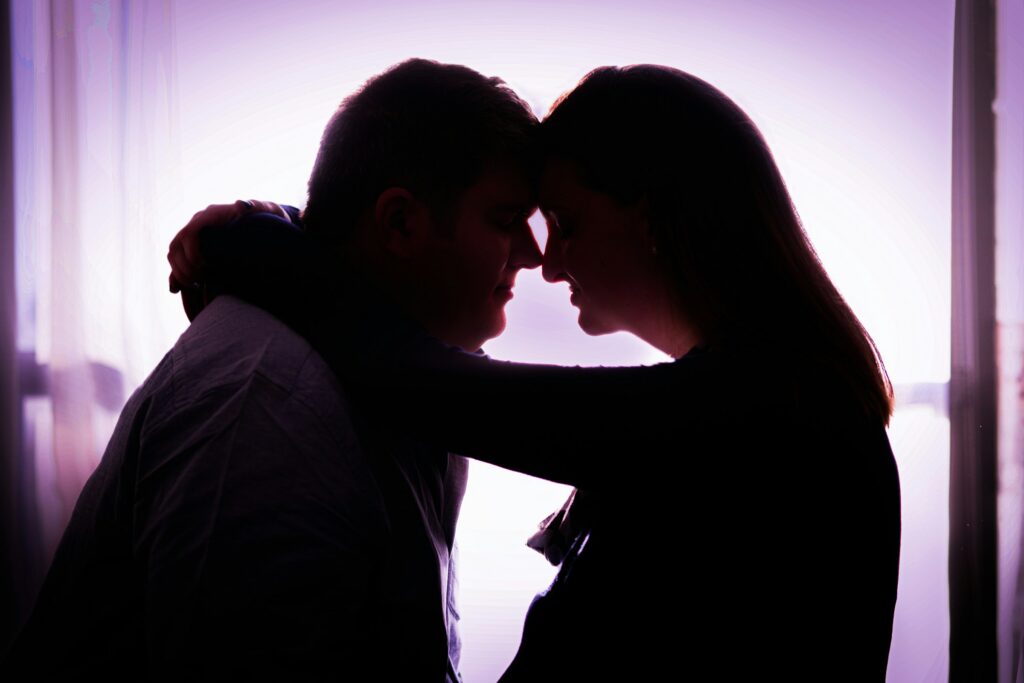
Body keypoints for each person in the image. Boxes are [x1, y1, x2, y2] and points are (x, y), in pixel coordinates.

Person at [172, 65, 901, 682]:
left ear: (653, 218)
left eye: (566, 222)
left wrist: (258, 238)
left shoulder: (760, 410)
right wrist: (284, 226)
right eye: (515, 221)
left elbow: (424, 381)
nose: (545, 261)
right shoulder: (780, 392)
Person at [2, 58, 542, 681]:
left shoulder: (406, 370)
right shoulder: (267, 407)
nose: (534, 254)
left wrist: (262, 228)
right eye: (506, 221)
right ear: (399, 223)